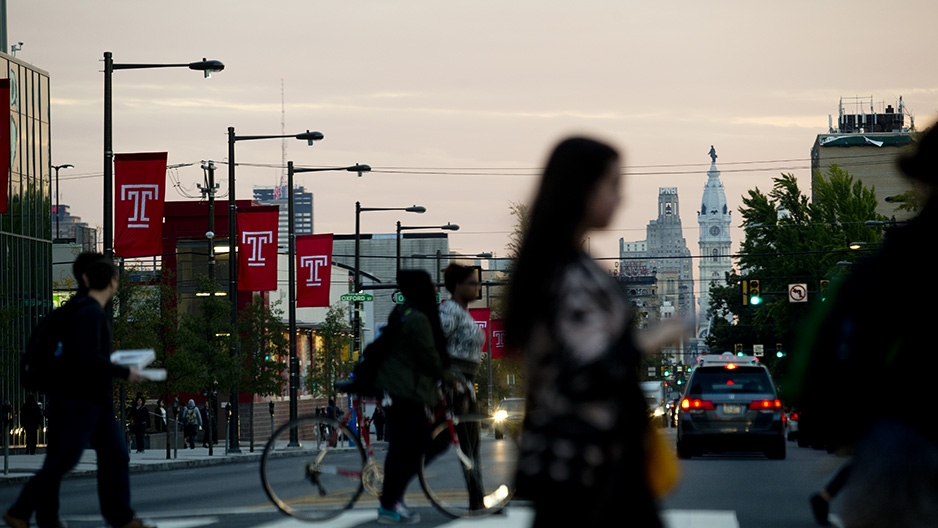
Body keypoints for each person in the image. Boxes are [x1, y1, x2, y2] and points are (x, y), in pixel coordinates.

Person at [504, 137, 689, 528]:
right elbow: (589, 369)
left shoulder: (559, 266)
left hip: (589, 457)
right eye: (612, 185)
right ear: (581, 189)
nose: (620, 198)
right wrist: (655, 337)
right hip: (587, 460)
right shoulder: (568, 275)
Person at [792, 125, 938, 528]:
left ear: (922, 180)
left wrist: (830, 420)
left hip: (908, 433)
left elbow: (840, 344)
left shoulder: (895, 262)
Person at [4, 252, 154, 528]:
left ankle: (113, 517)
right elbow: (88, 359)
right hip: (82, 401)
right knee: (65, 460)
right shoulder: (89, 313)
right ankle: (21, 509)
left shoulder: (75, 310)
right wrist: (125, 371)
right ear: (111, 282)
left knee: (112, 456)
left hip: (86, 400)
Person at [374, 269, 445, 524]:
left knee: (406, 448)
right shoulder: (417, 319)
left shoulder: (402, 313)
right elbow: (429, 357)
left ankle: (393, 499)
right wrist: (450, 376)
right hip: (405, 392)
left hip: (400, 390)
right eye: (431, 286)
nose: (435, 290)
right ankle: (389, 502)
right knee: (409, 448)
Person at [438, 263, 486, 509]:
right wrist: (447, 376)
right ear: (457, 286)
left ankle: (477, 499)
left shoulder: (463, 312)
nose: (477, 287)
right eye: (472, 283)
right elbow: (435, 342)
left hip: (467, 382)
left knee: (471, 444)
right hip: (455, 384)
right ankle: (476, 501)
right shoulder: (450, 311)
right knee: (465, 444)